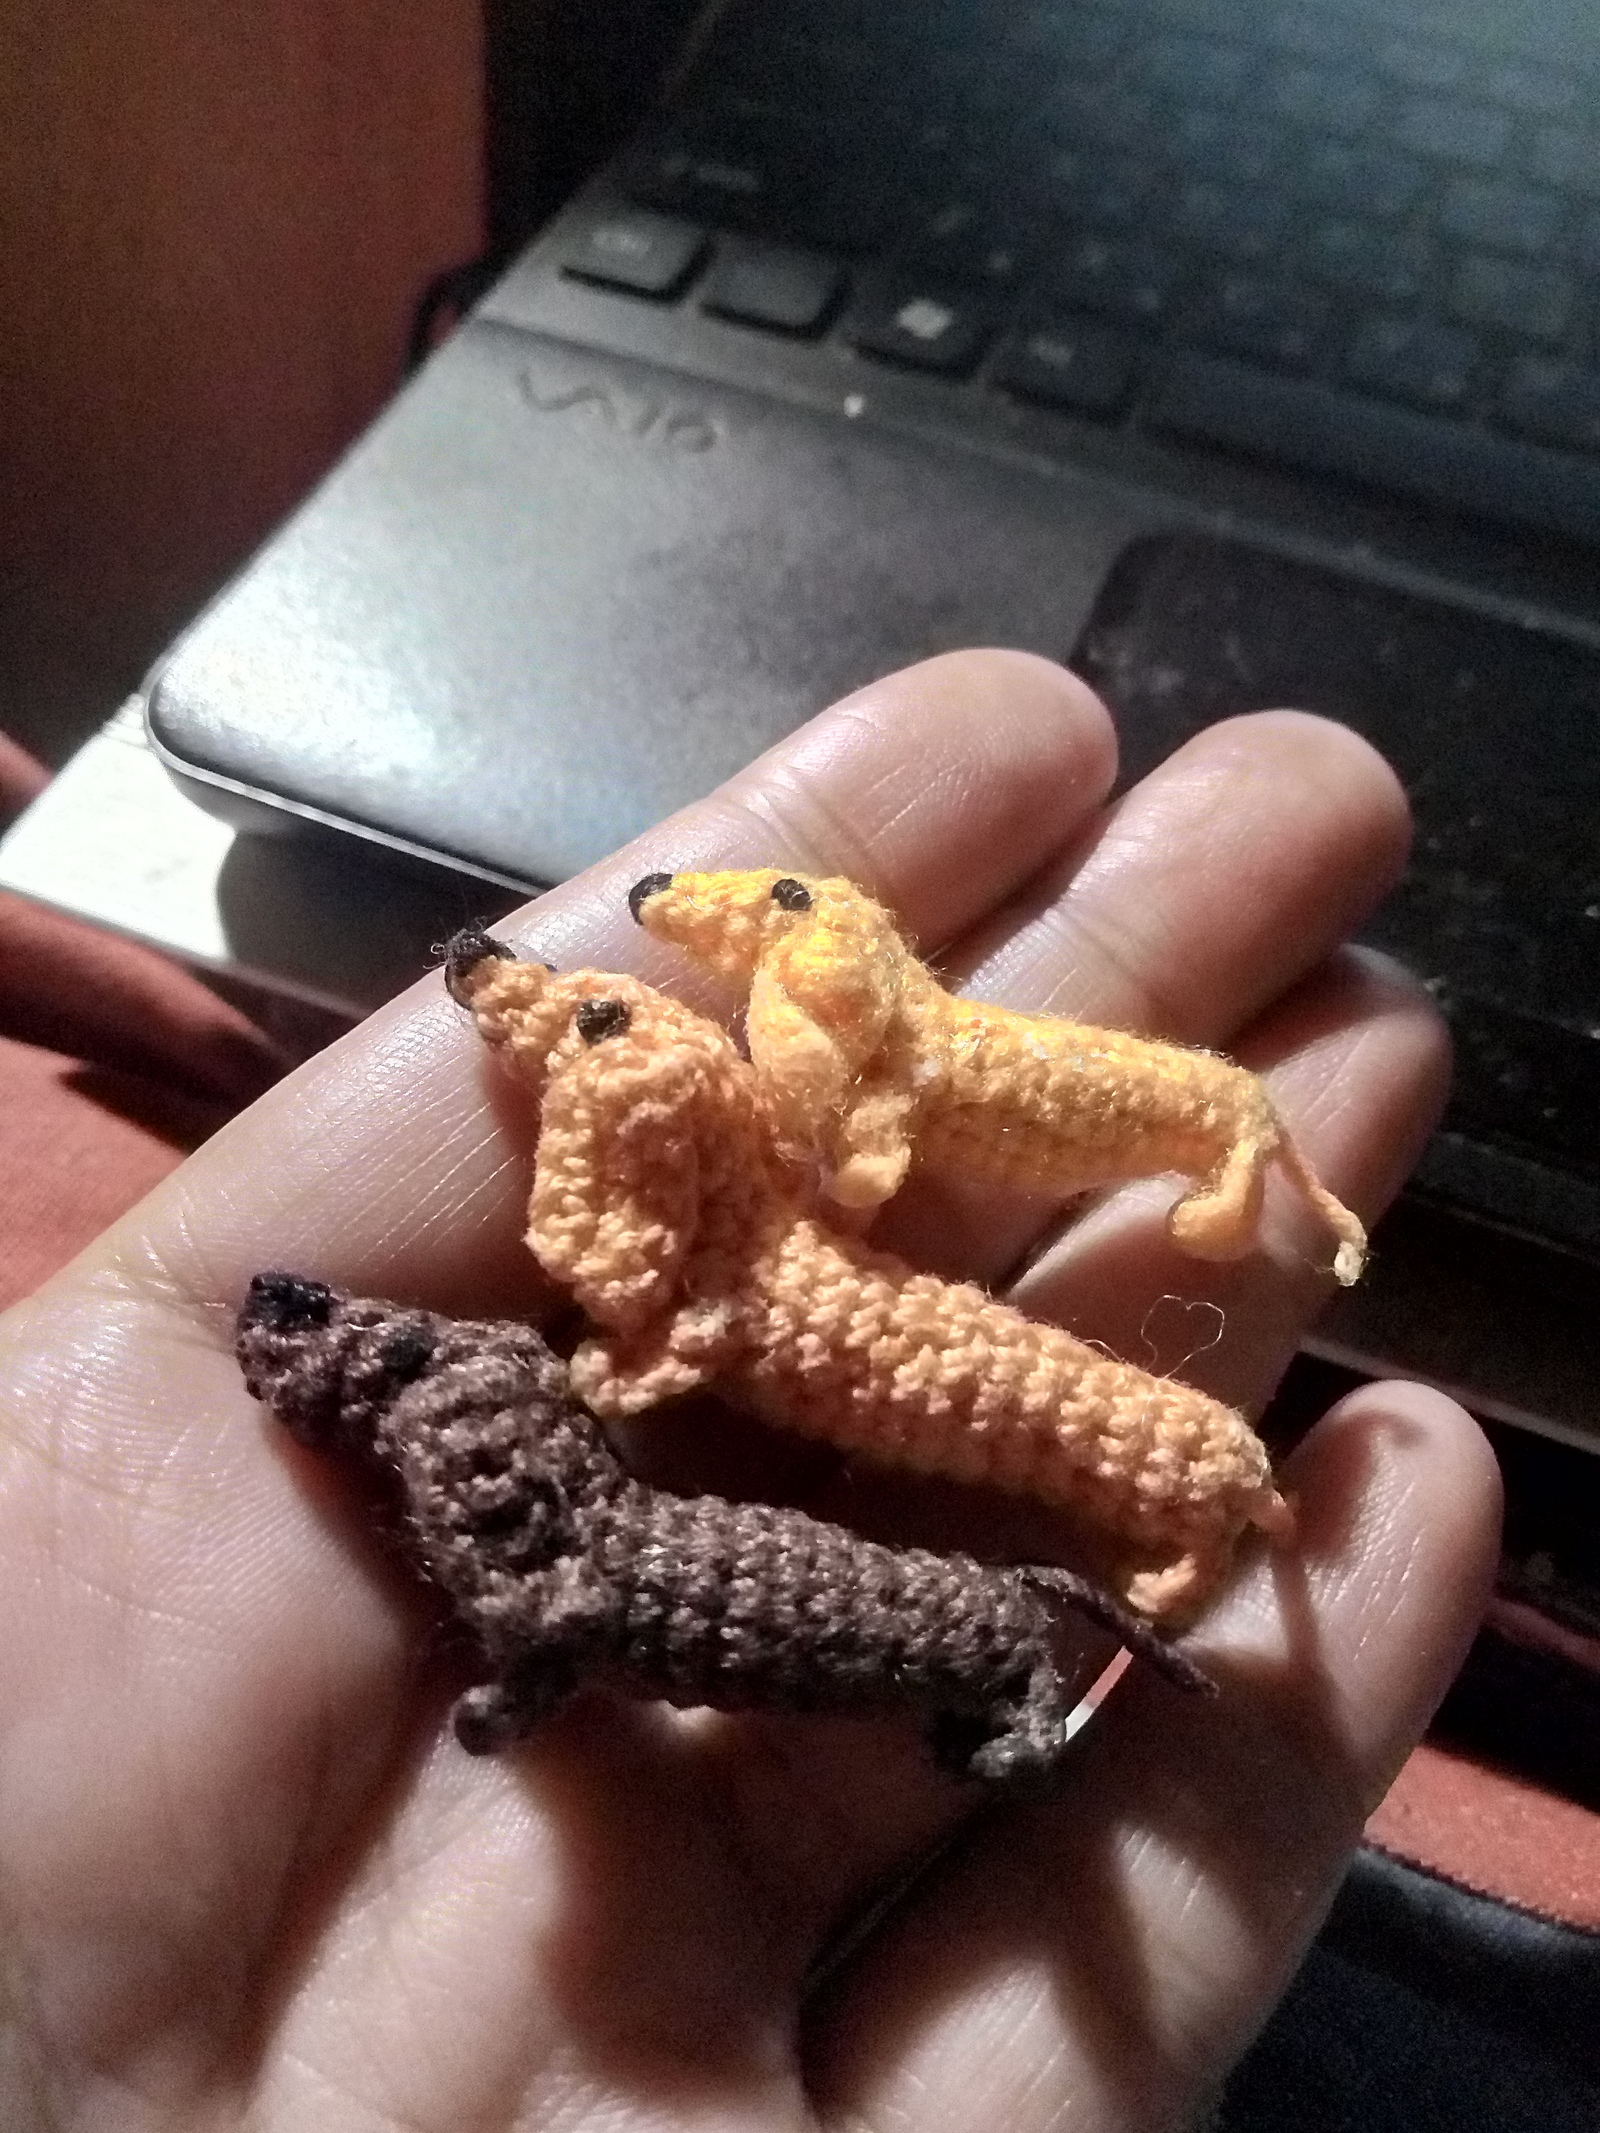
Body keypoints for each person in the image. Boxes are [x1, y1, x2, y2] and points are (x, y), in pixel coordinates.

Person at [0, 650, 1499, 2131]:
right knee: (1022, 1407)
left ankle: (1192, 1482)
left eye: (582, 1033)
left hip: (875, 1366)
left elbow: (679, 1287)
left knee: (1032, 1402)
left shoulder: (701, 1171)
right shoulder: (686, 1159)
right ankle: (1188, 1486)